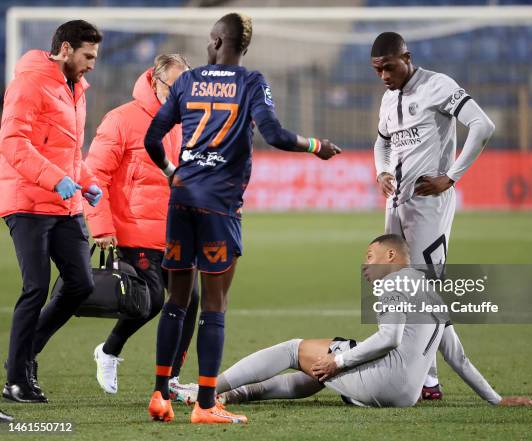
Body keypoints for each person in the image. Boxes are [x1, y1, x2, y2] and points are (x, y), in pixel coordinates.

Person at [144, 12, 341, 424]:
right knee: (214, 305)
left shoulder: (187, 80)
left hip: (181, 200)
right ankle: (205, 404)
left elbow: (152, 138)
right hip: (219, 205)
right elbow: (276, 135)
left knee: (177, 301)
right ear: (242, 46)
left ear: (217, 39)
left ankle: (160, 395)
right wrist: (316, 145)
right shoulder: (251, 82)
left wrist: (171, 172)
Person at [211, 234, 532, 409]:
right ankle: (234, 396)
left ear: (390, 257)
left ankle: (206, 389)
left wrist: (339, 360)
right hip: (407, 395)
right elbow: (457, 358)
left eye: (369, 256)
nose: (365, 264)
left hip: (383, 383)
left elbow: (389, 338)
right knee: (318, 371)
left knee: (295, 350)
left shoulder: (394, 282)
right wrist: (495, 399)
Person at [370, 32, 496, 397]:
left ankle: (430, 379)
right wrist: (382, 171)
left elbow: (482, 126)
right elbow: (382, 141)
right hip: (396, 206)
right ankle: (426, 378)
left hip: (429, 208)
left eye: (389, 68)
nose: (383, 76)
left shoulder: (438, 86)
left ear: (406, 58)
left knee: (425, 293)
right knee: (396, 286)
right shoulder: (388, 98)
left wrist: (451, 177)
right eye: (377, 70)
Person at [0, 20, 103, 403]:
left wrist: (86, 179)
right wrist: (54, 178)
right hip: (27, 200)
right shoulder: (29, 82)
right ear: (65, 49)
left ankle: (23, 358)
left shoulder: (75, 87)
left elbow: (70, 149)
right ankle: (17, 381)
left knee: (81, 283)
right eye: (87, 56)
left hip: (63, 202)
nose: (92, 64)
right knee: (36, 287)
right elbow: (12, 142)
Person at [84, 54, 199, 395]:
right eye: (173, 85)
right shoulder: (121, 119)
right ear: (154, 81)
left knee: (189, 300)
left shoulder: (188, 121)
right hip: (132, 228)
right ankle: (108, 350)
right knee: (148, 300)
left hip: (175, 230)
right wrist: (101, 226)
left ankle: (172, 380)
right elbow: (95, 176)